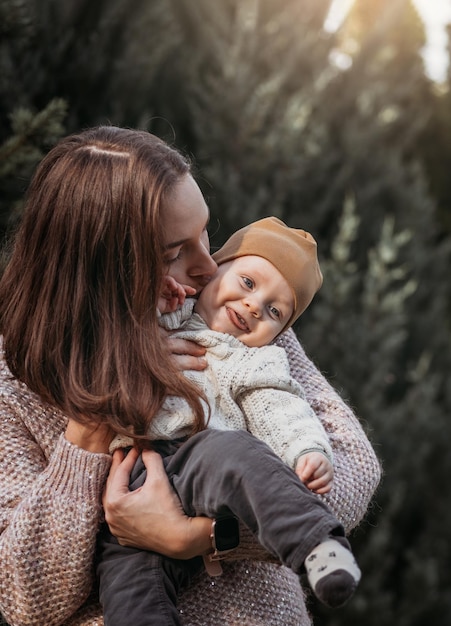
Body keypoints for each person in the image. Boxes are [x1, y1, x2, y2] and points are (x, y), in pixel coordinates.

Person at [0, 125, 381, 626]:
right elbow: (27, 600)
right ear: (101, 269)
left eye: (204, 231)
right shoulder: (13, 385)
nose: (209, 265)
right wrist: (94, 420)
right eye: (172, 253)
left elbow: (350, 469)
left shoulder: (236, 319)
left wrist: (200, 536)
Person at [97, 216, 361, 626]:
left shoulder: (253, 358)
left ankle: (318, 545)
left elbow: (281, 406)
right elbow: (112, 322)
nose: (254, 306)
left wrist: (307, 450)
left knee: (240, 455)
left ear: (278, 332)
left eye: (274, 310)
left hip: (200, 461)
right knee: (128, 592)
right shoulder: (165, 310)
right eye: (248, 283)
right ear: (214, 268)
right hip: (130, 491)